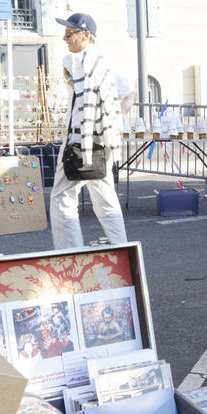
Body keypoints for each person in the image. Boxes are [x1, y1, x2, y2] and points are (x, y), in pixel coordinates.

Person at [50, 13, 127, 249]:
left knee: (62, 196)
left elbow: (67, 62)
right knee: (105, 199)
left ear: (86, 35)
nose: (65, 38)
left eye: (69, 33)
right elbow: (127, 93)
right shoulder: (102, 64)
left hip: (81, 139)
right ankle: (121, 248)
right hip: (101, 139)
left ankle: (70, 253)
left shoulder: (84, 60)